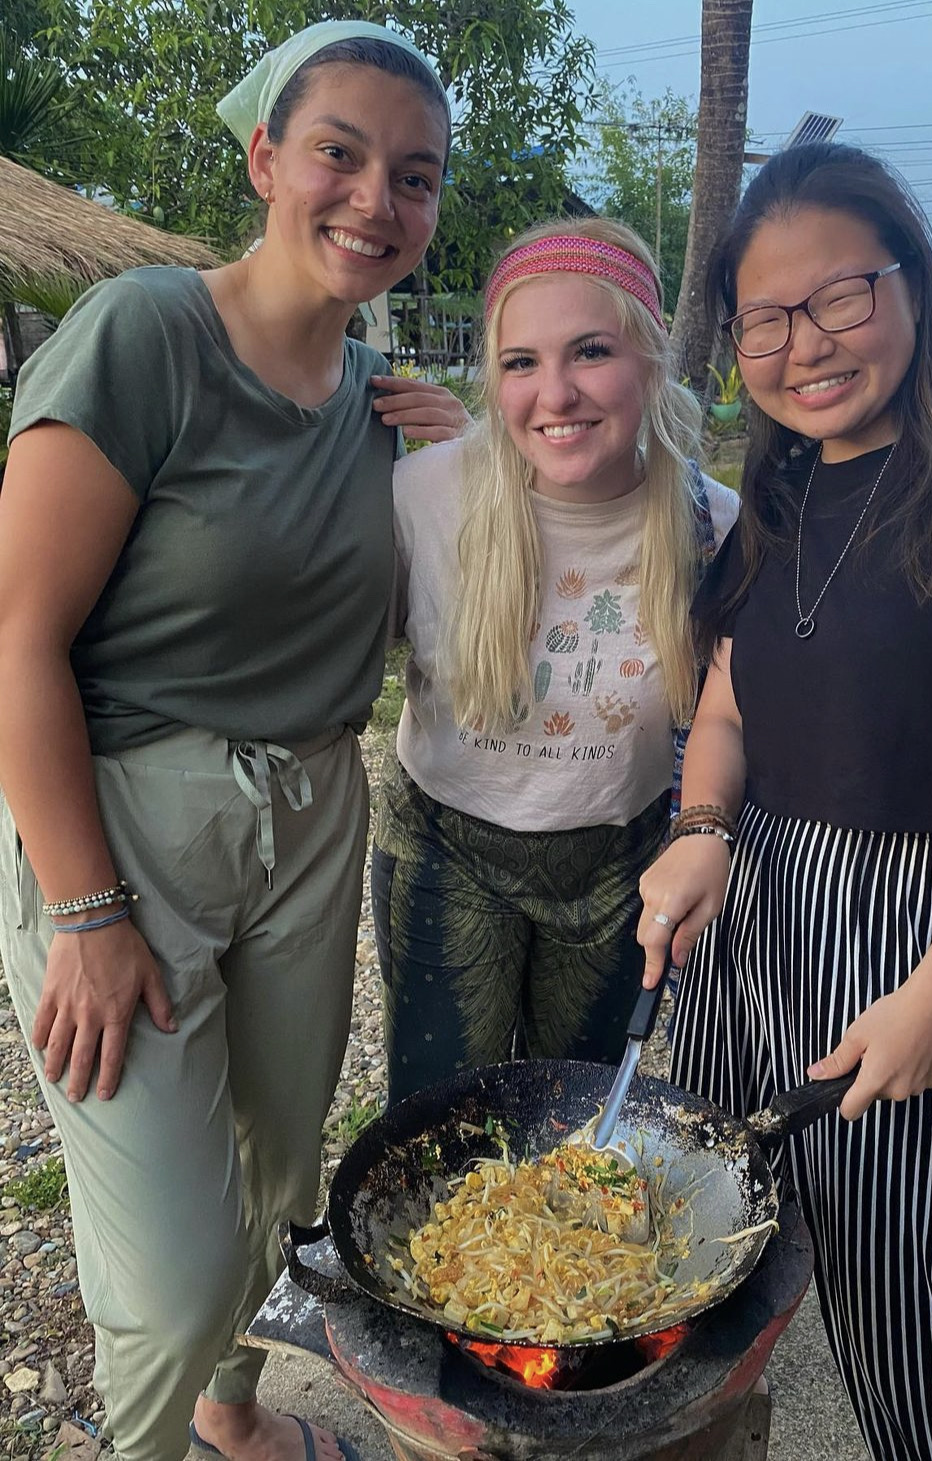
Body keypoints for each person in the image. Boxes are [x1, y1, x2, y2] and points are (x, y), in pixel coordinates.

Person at [0, 21, 452, 1461]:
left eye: (416, 176)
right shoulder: (147, 333)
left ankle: (230, 1412)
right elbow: (16, 641)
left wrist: (470, 459)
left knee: (279, 1175)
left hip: (313, 816)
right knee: (171, 1264)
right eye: (339, 152)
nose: (376, 199)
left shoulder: (381, 404)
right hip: (131, 827)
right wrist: (82, 909)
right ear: (265, 158)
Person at [636, 143, 932, 1461]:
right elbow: (725, 711)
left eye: (841, 297)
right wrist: (696, 834)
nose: (807, 344)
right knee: (715, 1247)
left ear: (912, 281)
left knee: (899, 1290)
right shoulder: (778, 491)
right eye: (768, 319)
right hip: (745, 911)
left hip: (905, 922)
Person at [369, 218, 739, 1104]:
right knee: (439, 1116)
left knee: (575, 1121)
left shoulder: (716, 527)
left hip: (622, 861)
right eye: (521, 363)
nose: (557, 393)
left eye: (591, 351)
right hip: (448, 845)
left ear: (650, 359)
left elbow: (745, 716)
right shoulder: (425, 496)